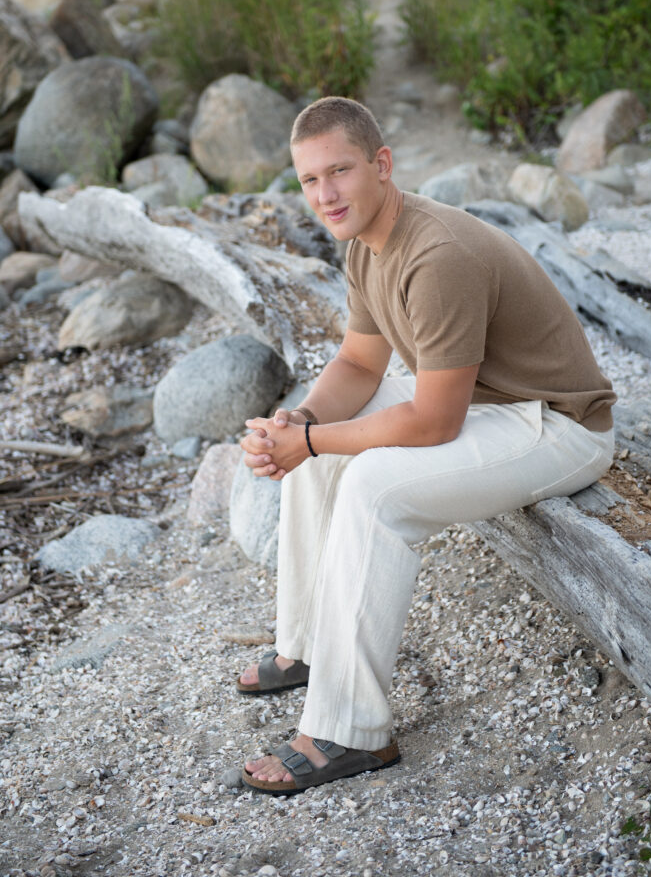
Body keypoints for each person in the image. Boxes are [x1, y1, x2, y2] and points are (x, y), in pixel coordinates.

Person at [238, 96, 616, 795]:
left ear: (381, 165)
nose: (324, 194)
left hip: (556, 426)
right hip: (485, 403)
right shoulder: (364, 244)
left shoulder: (436, 254)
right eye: (308, 180)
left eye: (339, 172)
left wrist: (317, 442)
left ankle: (346, 733)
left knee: (370, 486)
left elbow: (434, 421)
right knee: (312, 451)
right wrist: (301, 421)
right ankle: (307, 647)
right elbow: (357, 366)